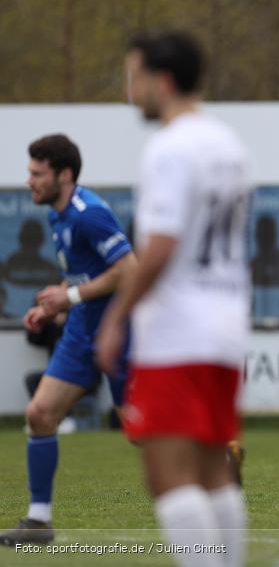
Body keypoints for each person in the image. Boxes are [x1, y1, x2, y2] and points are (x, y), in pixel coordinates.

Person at [96, 31, 250, 567]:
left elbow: (161, 245)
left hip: (177, 333)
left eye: (132, 77)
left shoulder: (168, 147)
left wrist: (117, 316)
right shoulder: (229, 145)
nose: (128, 91)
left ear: (161, 82)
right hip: (226, 328)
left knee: (168, 476)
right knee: (213, 474)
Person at [0, 134, 135, 545]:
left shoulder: (88, 214)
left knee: (143, 432)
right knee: (40, 413)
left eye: (37, 173)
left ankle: (218, 457)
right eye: (29, 172)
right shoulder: (57, 216)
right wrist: (54, 306)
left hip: (120, 330)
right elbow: (81, 271)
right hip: (80, 331)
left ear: (65, 174)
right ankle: (39, 521)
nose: (30, 181)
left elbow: (128, 269)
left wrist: (70, 296)